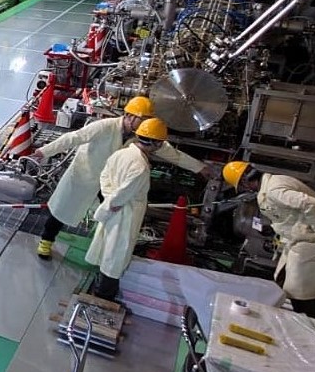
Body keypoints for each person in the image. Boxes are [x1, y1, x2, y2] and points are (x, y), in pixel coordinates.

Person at [30, 95, 218, 261]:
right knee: (61, 210)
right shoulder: (105, 126)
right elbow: (73, 138)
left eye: (148, 120)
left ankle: (102, 250)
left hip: (111, 183)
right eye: (143, 119)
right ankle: (46, 241)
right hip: (85, 176)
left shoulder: (142, 135)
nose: (145, 124)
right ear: (129, 116)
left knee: (112, 216)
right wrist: (43, 151)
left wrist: (199, 167)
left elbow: (171, 153)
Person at [222, 161, 315, 319]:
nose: (246, 190)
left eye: (242, 187)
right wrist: (274, 229)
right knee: (285, 282)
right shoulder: (272, 184)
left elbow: (310, 203)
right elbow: (290, 215)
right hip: (301, 241)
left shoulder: (273, 191)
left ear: (245, 182)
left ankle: (311, 328)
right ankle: (308, 323)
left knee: (299, 294)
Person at [84, 118, 169, 300]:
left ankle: (99, 288)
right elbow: (122, 195)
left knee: (107, 250)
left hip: (114, 209)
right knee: (115, 257)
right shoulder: (140, 167)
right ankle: (103, 297)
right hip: (123, 214)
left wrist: (107, 199)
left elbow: (104, 177)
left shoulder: (121, 154)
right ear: (157, 143)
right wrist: (108, 208)